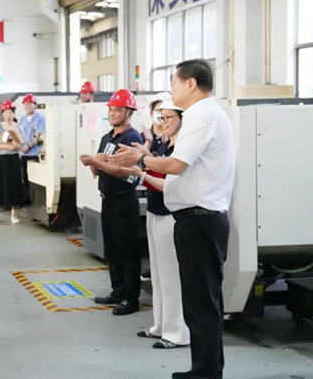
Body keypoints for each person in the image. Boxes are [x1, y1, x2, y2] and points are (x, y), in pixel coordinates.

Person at [109, 60, 235, 379]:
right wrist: (141, 167)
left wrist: (142, 158)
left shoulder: (202, 115)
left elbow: (177, 165)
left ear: (191, 84)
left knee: (202, 303)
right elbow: (180, 175)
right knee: (198, 301)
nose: (171, 89)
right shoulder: (203, 115)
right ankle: (203, 369)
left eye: (174, 83)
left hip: (200, 221)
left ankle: (206, 373)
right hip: (195, 220)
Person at [123, 98, 190, 350]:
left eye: (168, 117)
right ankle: (160, 325)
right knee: (159, 275)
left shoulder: (181, 149)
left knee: (172, 276)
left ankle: (177, 332)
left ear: (182, 118)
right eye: (160, 117)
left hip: (171, 213)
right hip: (155, 210)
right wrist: (144, 156)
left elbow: (169, 184)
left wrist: (141, 172)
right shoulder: (164, 143)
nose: (163, 122)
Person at [78, 89, 143, 316]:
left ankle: (131, 298)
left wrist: (98, 162)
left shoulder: (132, 138)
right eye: (111, 109)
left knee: (127, 250)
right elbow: (98, 171)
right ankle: (118, 290)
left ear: (129, 112)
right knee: (113, 249)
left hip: (124, 200)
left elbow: (125, 172)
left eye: (118, 110)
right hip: (107, 200)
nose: (113, 113)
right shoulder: (107, 137)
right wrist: (93, 163)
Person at [0, 100, 25, 224]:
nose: (8, 115)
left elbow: (22, 145)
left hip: (13, 159)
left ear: (14, 113)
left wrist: (15, 145)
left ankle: (14, 215)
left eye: (10, 112)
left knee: (14, 185)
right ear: (2, 114)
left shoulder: (18, 127)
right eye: (6, 113)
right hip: (0, 159)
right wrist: (7, 146)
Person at [17, 93, 44, 205]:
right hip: (24, 154)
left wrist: (29, 145)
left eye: (30, 104)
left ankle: (37, 200)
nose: (28, 106)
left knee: (36, 177)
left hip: (35, 153)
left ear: (35, 105)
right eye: (26, 104)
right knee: (25, 177)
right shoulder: (22, 120)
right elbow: (19, 135)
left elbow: (41, 136)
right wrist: (21, 146)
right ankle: (26, 199)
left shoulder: (40, 119)